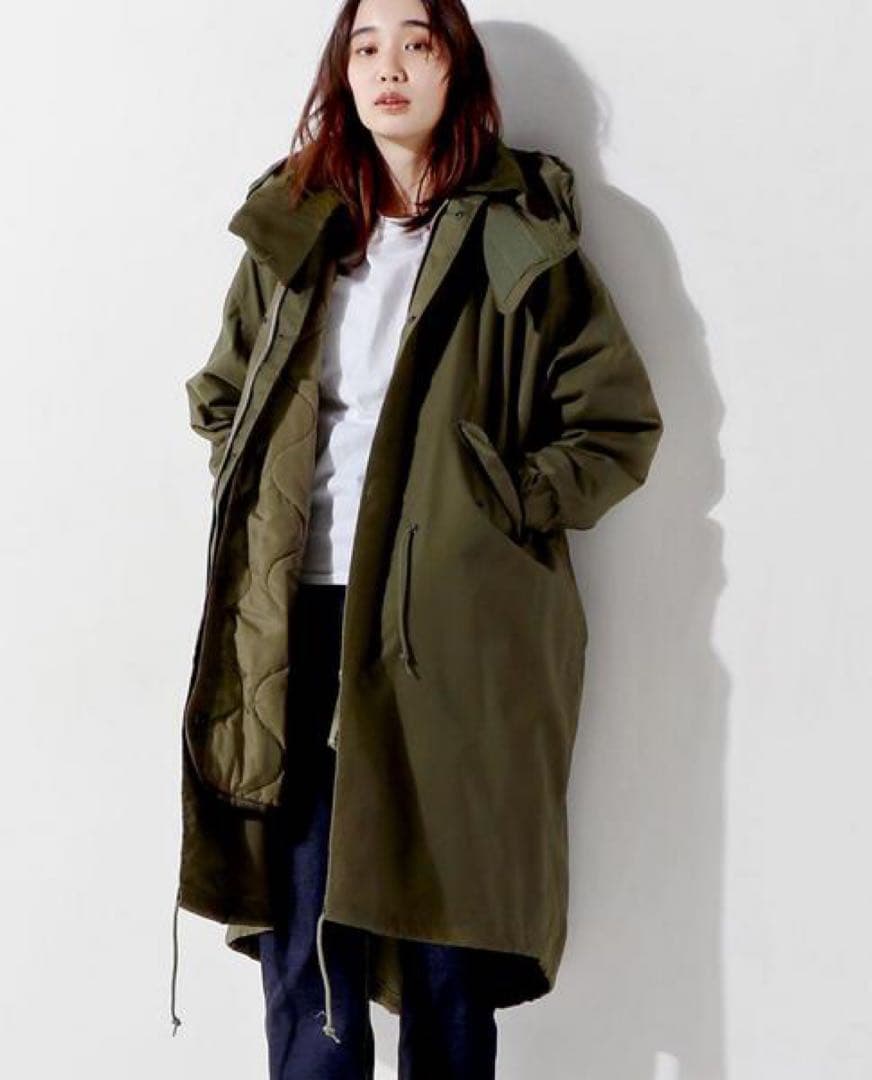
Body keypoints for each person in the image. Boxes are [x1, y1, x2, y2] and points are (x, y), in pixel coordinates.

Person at [172, 0, 665, 1076]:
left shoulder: (518, 235)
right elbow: (222, 395)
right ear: (342, 74)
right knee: (307, 930)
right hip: (297, 621)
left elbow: (616, 424)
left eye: (415, 43)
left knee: (445, 937)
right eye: (365, 47)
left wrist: (497, 505)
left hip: (451, 631)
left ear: (454, 70)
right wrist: (260, 492)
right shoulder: (295, 229)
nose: (387, 65)